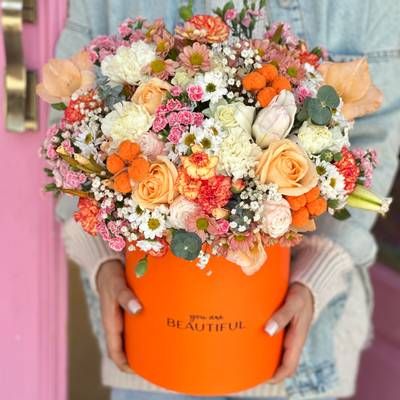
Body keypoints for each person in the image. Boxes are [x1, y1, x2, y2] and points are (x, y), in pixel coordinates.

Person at [54, 1, 400, 399]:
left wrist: (320, 269)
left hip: (296, 363)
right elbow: (69, 125)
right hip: (152, 348)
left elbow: (374, 136)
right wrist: (102, 259)